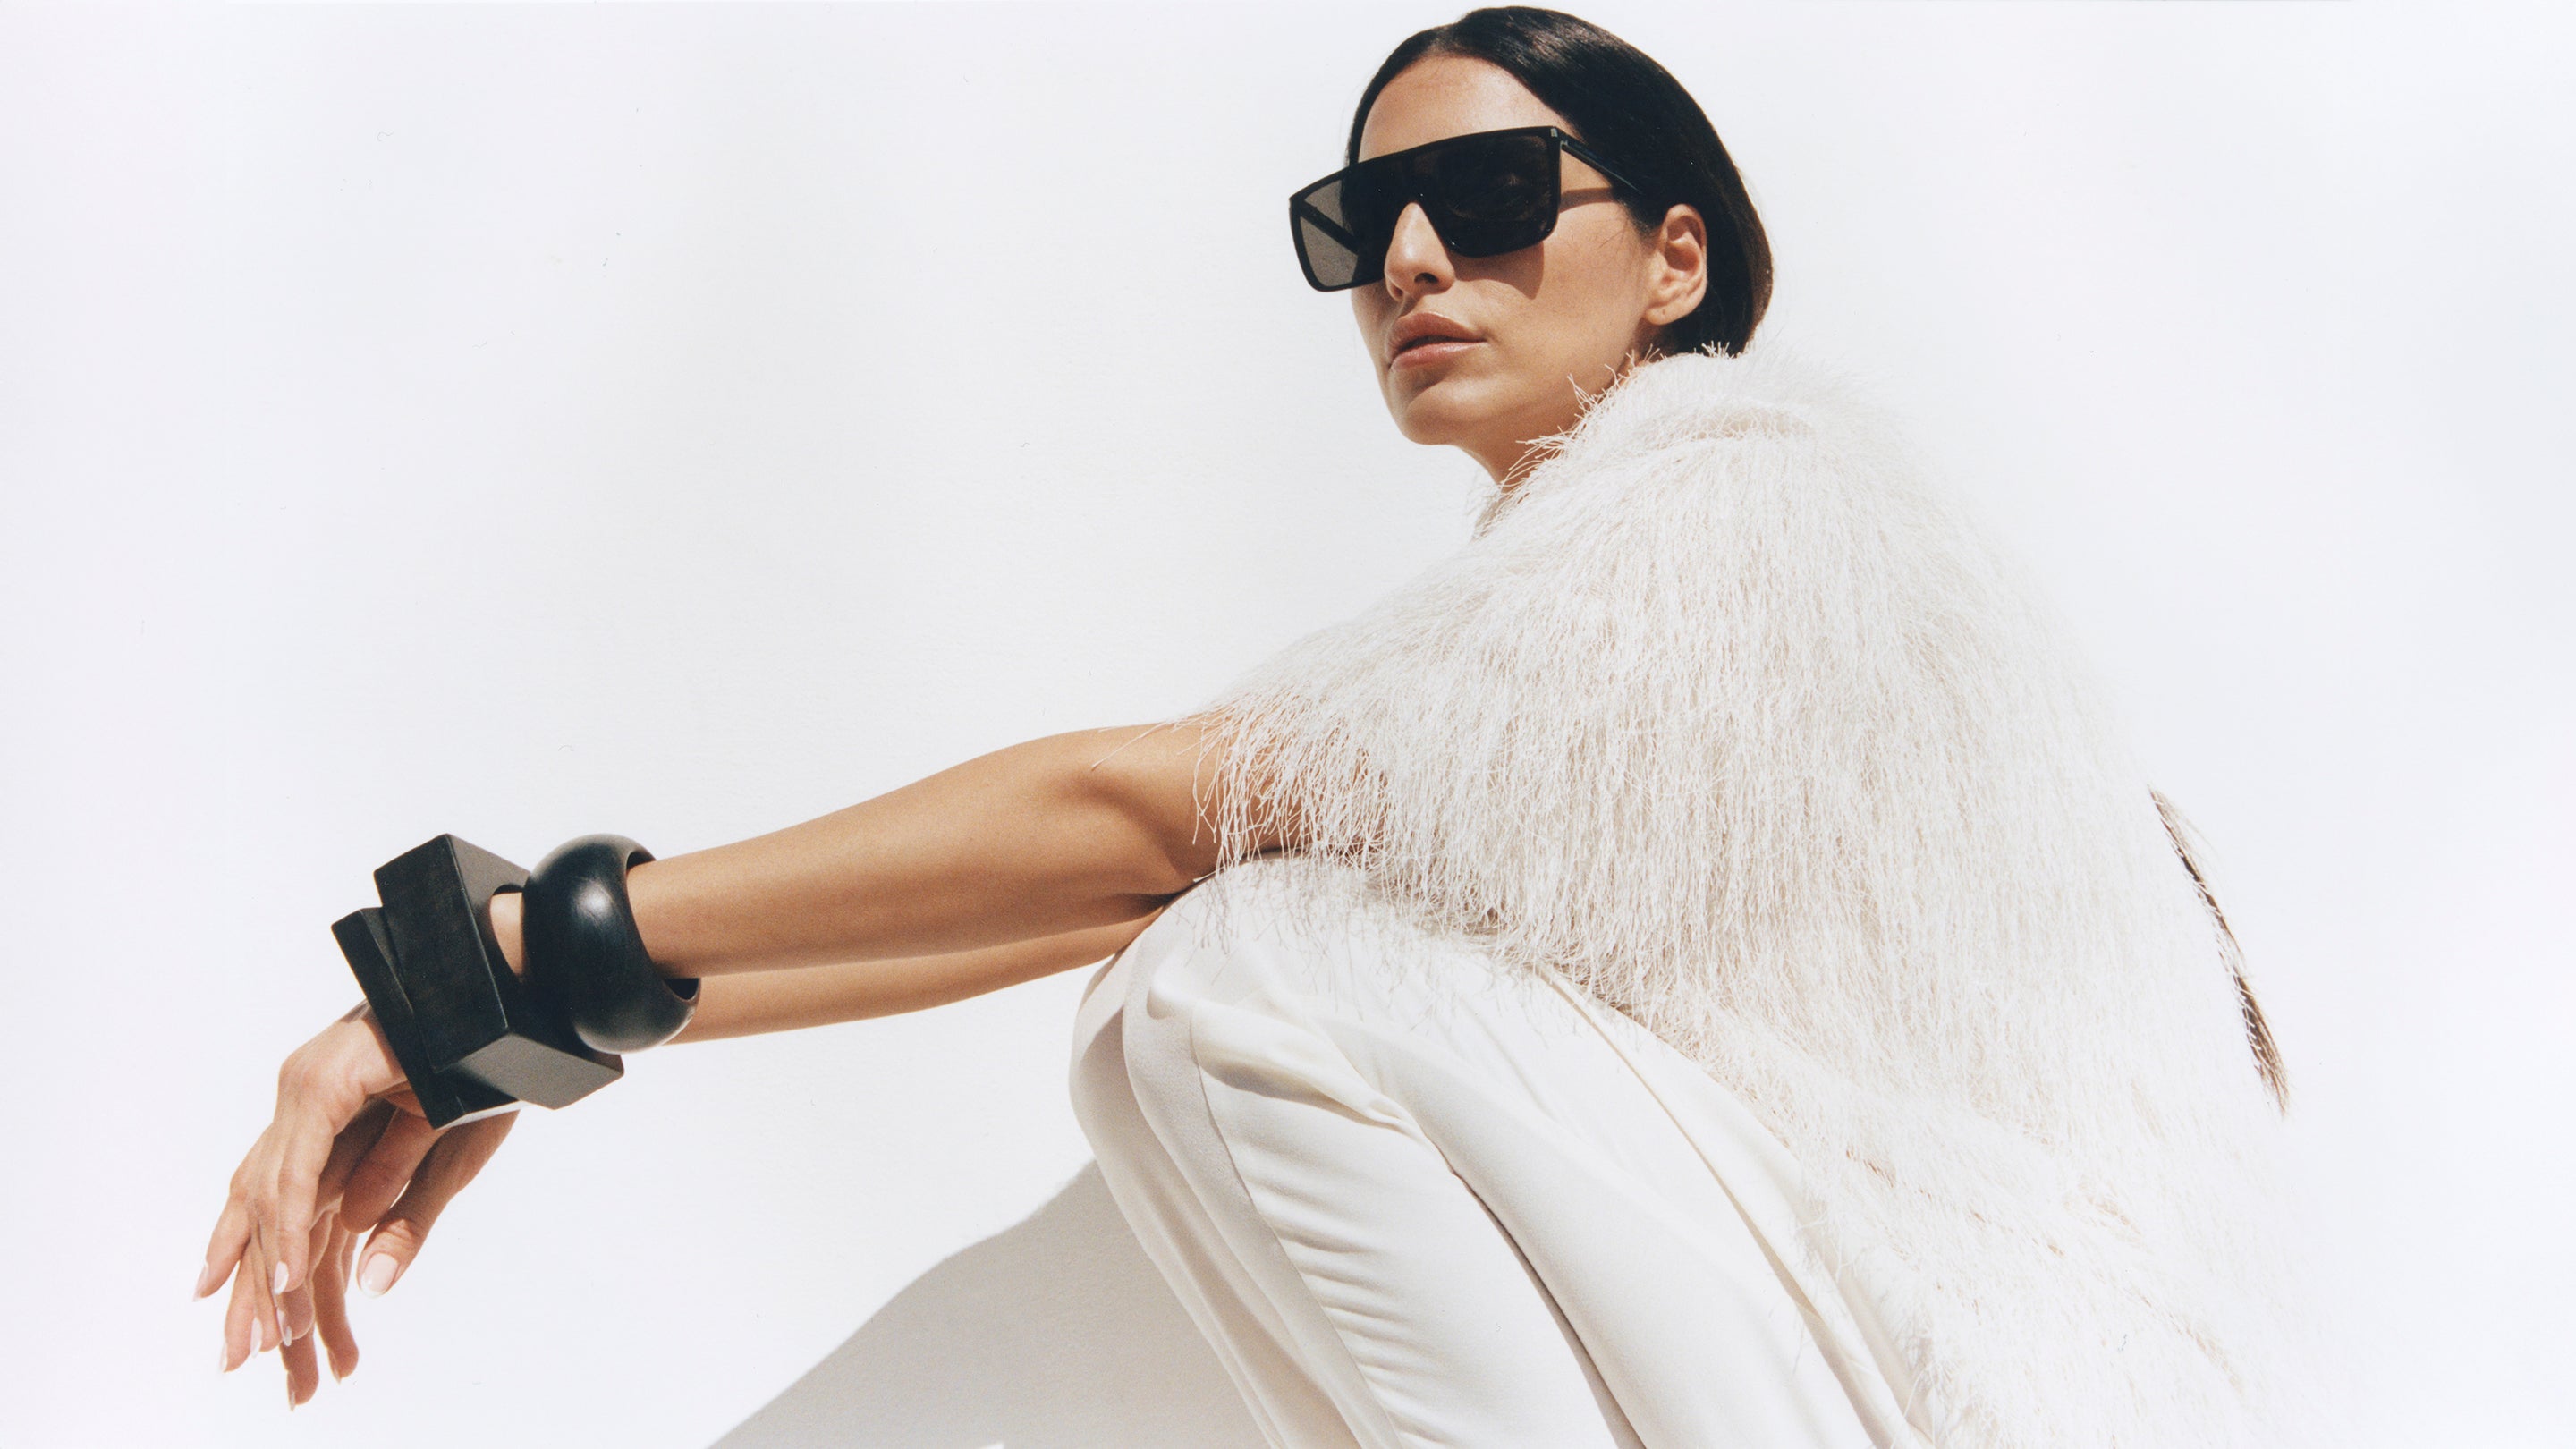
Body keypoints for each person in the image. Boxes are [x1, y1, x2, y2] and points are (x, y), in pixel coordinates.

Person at [199, 9, 2315, 1445]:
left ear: (1676, 260)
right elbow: (1099, 879)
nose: (1412, 255)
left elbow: (1149, 829)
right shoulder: (1592, 651)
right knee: (1061, 1276)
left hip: (1943, 1387)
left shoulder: (1750, 503)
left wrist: (499, 962)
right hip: (1853, 1353)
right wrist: (524, 1024)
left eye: (1493, 192)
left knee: (1237, 982)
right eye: (1358, 226)